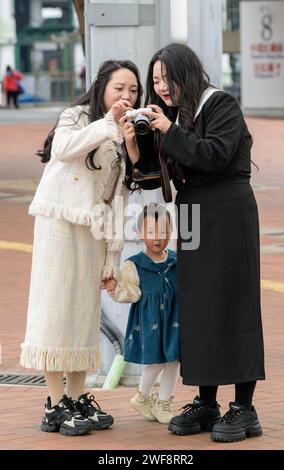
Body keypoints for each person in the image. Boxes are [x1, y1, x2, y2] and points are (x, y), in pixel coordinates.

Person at [123, 43, 265, 443]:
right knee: (197, 305)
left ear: (186, 73)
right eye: (154, 81)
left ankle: (245, 407)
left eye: (166, 78)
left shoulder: (220, 104)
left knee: (232, 301)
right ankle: (207, 400)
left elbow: (215, 155)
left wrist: (170, 130)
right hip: (191, 213)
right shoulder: (169, 117)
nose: (161, 87)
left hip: (228, 208)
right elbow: (151, 176)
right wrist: (134, 142)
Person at [20, 59, 143, 436]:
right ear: (102, 87)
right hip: (59, 222)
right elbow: (63, 149)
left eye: (133, 90)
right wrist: (107, 123)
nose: (126, 96)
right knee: (55, 309)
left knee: (84, 314)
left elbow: (119, 195)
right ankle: (55, 405)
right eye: (119, 88)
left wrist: (112, 254)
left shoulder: (125, 133)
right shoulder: (77, 116)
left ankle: (76, 398)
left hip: (94, 230)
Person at [103, 203, 180, 425]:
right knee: (156, 360)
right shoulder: (134, 264)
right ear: (139, 234)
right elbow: (128, 292)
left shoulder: (176, 260)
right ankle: (142, 396)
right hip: (150, 321)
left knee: (174, 360)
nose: (158, 237)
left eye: (164, 231)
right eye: (151, 232)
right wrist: (114, 289)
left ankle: (163, 403)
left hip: (174, 320)